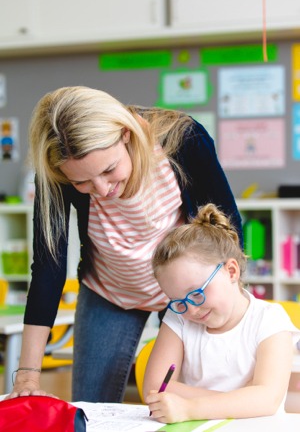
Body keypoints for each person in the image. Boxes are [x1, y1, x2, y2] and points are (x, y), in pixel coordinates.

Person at [8, 86, 243, 403]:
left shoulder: (183, 139)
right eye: (82, 182)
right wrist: (28, 374)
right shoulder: (55, 172)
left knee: (186, 401)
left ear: (128, 134)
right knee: (91, 406)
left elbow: (226, 229)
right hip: (109, 291)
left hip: (185, 294)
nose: (102, 189)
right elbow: (49, 266)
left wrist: (234, 314)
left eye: (108, 170)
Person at [144, 203, 300, 423]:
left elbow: (267, 399)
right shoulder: (178, 317)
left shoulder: (271, 320)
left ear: (231, 271)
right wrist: (243, 400)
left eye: (196, 293)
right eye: (178, 301)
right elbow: (154, 387)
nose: (191, 309)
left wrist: (189, 408)